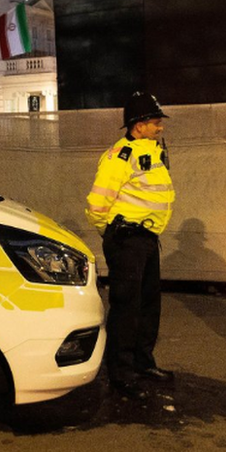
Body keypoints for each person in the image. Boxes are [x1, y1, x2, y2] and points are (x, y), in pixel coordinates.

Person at [86, 92, 175, 398]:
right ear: (138, 126)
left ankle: (142, 361)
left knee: (149, 305)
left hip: (147, 240)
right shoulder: (120, 155)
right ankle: (121, 373)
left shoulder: (152, 150)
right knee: (126, 307)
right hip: (128, 240)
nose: (160, 126)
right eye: (154, 121)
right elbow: (97, 203)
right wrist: (112, 235)